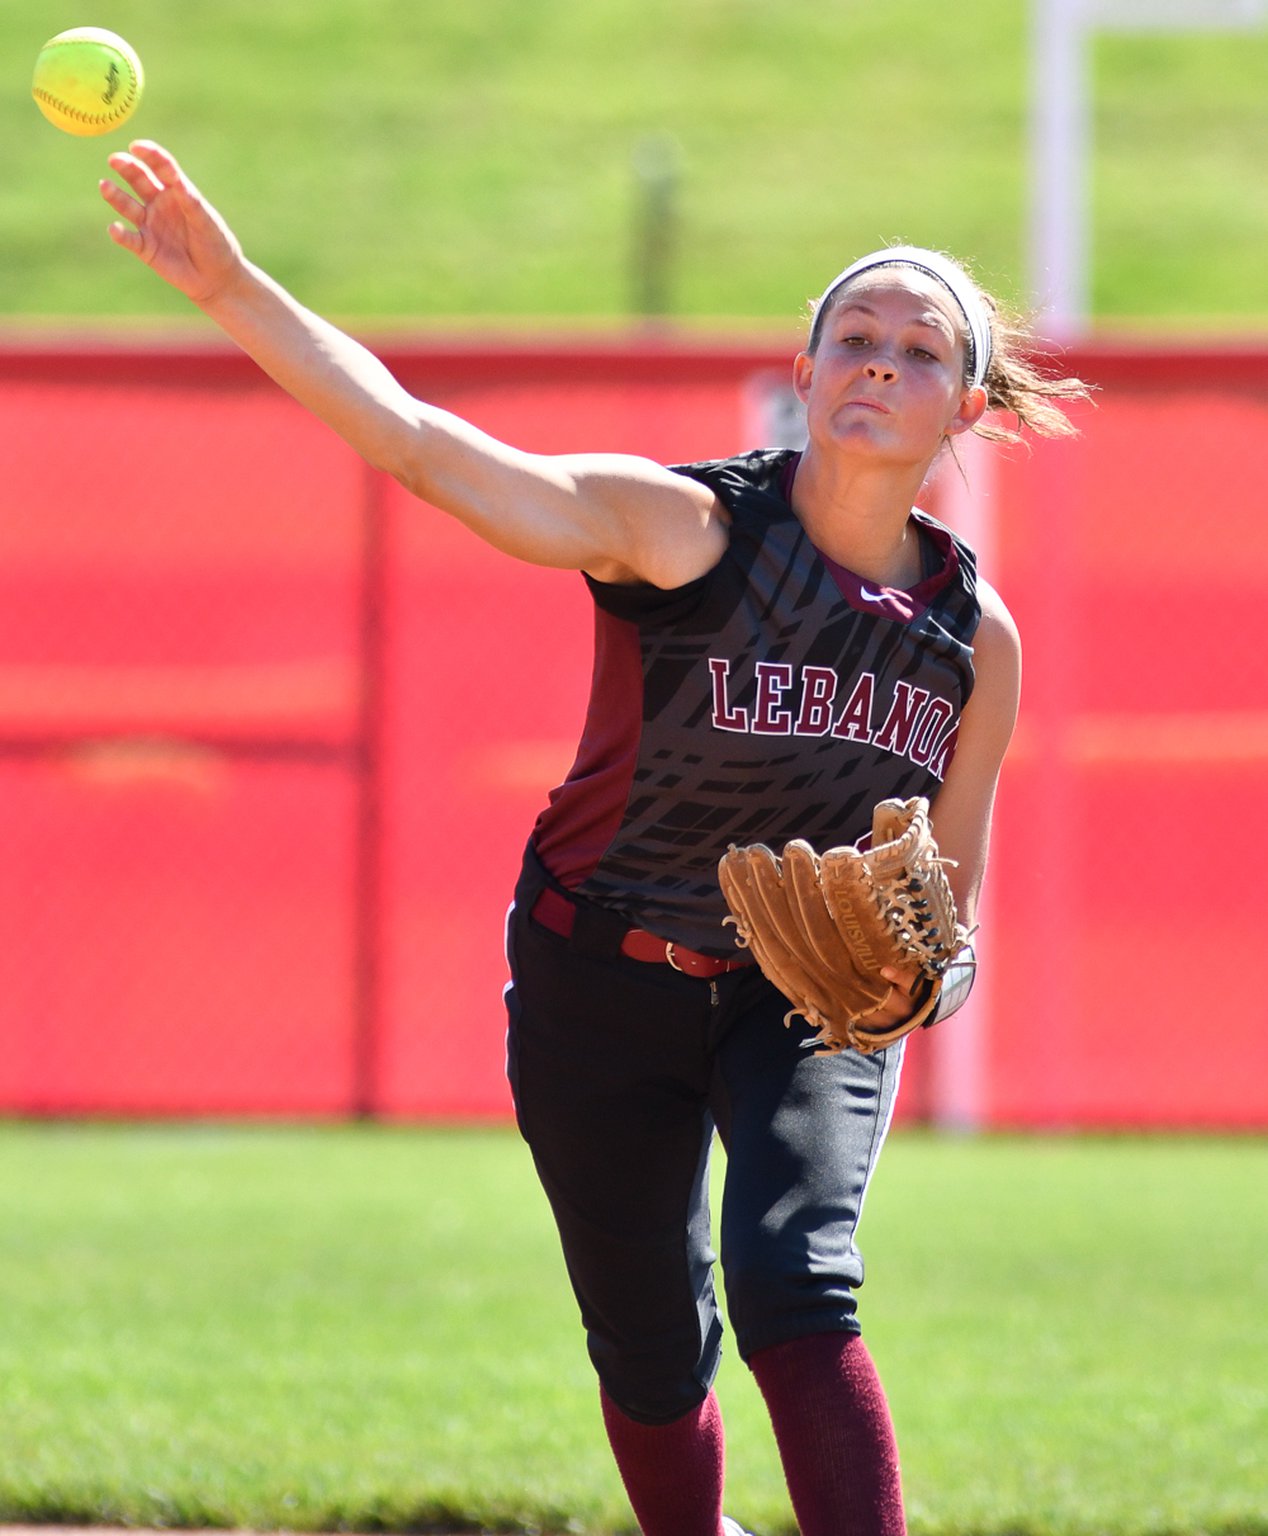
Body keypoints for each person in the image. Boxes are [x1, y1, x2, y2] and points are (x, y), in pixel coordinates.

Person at [99, 141, 1089, 1536]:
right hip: (596, 972)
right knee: (646, 1335)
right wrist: (238, 289)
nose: (878, 361)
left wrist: (933, 975)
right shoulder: (686, 530)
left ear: (965, 409)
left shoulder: (972, 641)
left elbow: (954, 879)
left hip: (805, 1000)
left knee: (797, 1276)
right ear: (800, 378)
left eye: (917, 351)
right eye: (850, 337)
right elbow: (429, 452)